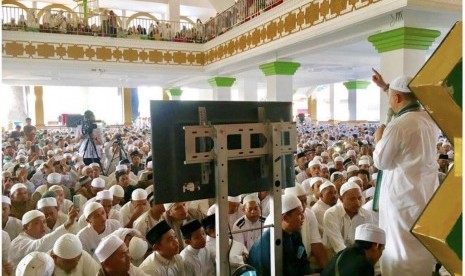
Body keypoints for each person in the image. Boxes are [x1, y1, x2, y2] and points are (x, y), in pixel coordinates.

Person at [371, 71, 440, 275]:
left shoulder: (398, 126)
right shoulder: (428, 119)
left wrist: (378, 139)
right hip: (424, 194)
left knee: (399, 247)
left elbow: (381, 161)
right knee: (419, 244)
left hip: (402, 198)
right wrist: (385, 88)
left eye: (391, 96)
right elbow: (400, 98)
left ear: (397, 98)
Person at [248, 194, 312, 276]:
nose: (303, 217)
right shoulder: (270, 243)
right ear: (285, 218)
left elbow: (303, 260)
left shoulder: (294, 234)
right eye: (299, 214)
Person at [8, 207, 79, 266]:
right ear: (26, 227)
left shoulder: (40, 238)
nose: (43, 226)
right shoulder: (18, 243)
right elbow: (38, 247)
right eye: (37, 223)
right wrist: (66, 224)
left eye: (44, 222)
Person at [323, 182, 373, 254]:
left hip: (358, 256)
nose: (357, 203)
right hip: (334, 256)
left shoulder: (366, 215)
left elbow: (367, 242)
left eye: (359, 198)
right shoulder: (331, 214)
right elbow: (338, 246)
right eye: (352, 199)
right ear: (341, 199)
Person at [321, 223, 385, 276]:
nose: (380, 255)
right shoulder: (364, 265)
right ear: (376, 246)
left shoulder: (342, 253)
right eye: (382, 250)